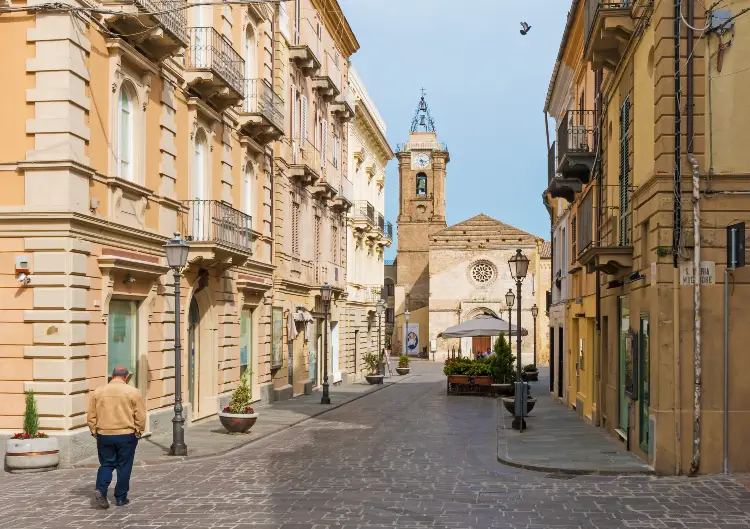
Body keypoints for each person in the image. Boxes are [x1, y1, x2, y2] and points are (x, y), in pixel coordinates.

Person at [87, 366, 146, 509]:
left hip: (105, 434)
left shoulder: (98, 391)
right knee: (124, 466)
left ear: (112, 376)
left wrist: (94, 430)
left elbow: (91, 415)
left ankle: (101, 489)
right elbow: (140, 416)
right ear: (126, 377)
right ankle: (120, 497)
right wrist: (139, 431)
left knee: (107, 464)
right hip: (126, 434)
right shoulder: (133, 392)